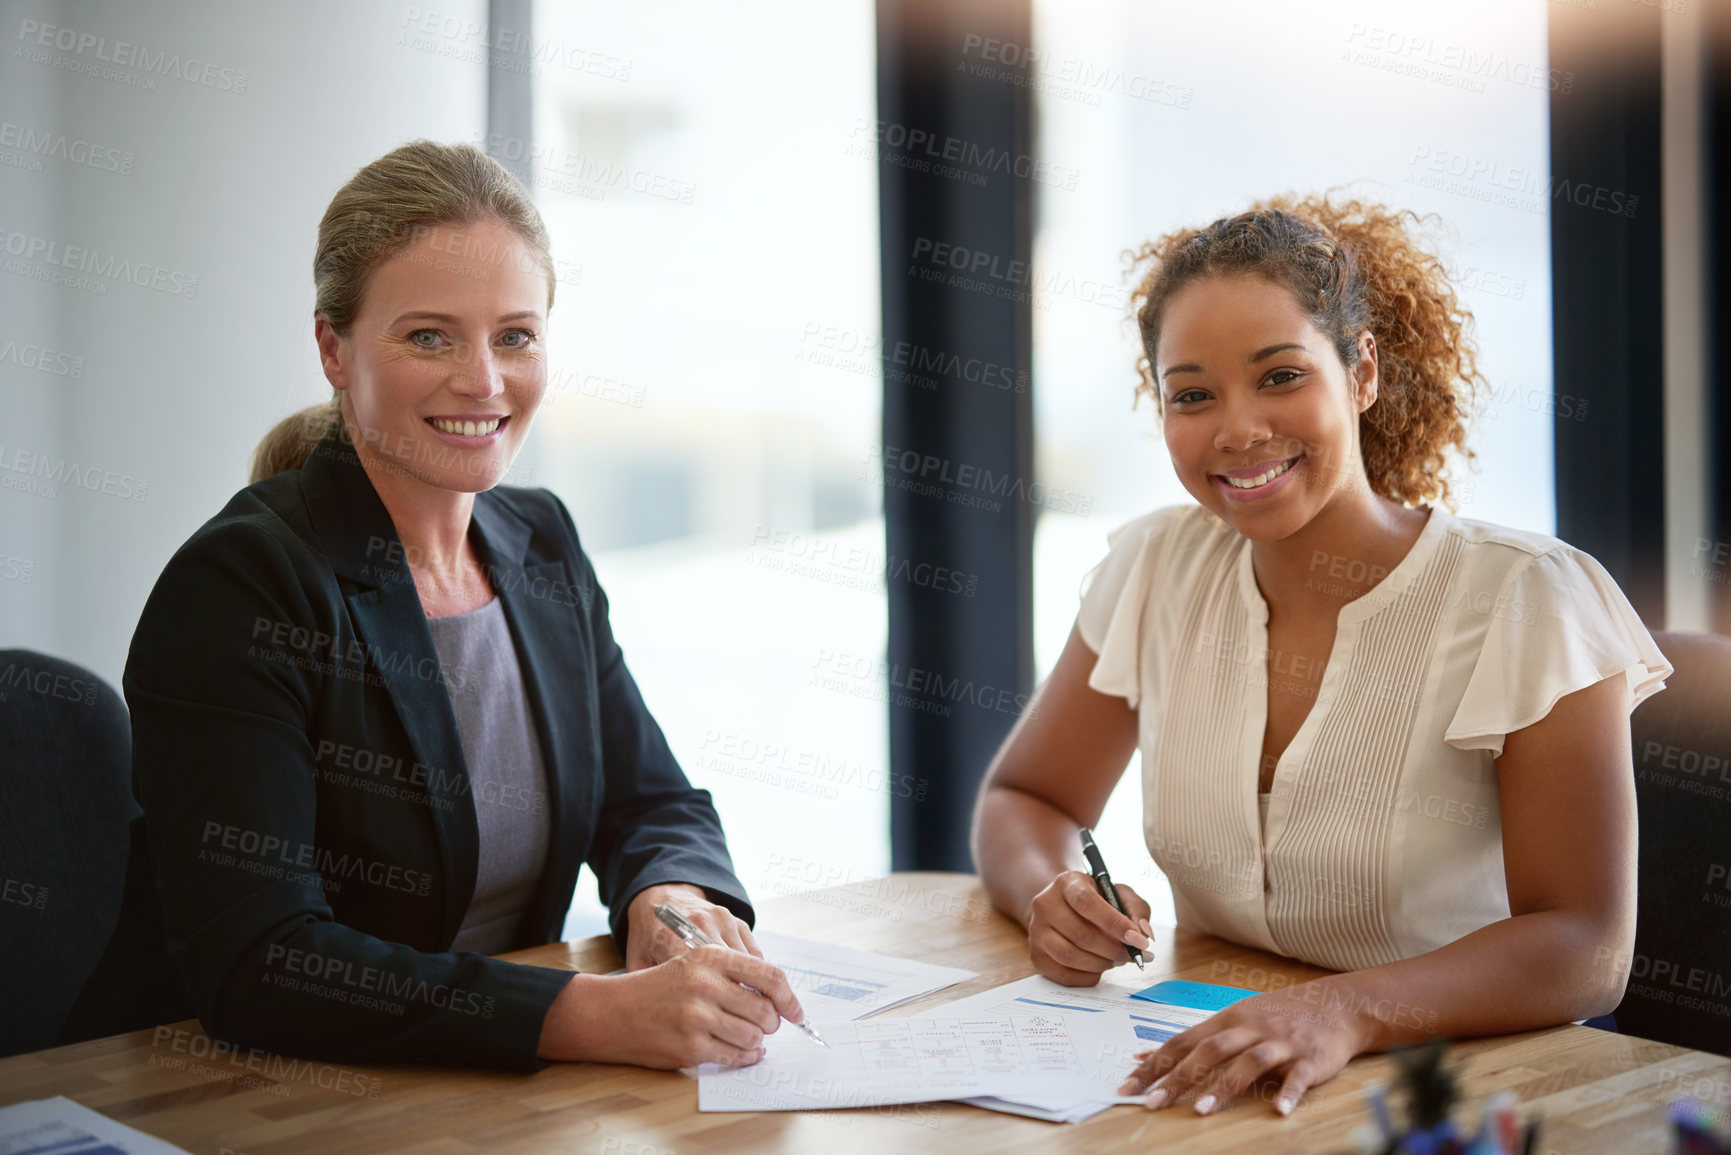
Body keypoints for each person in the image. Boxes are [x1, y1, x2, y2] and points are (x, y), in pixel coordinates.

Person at [59, 140, 804, 1072]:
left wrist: (673, 903)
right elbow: (263, 963)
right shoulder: (243, 583)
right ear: (333, 348)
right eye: (428, 336)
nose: (483, 381)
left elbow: (648, 798)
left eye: (515, 335)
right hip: (236, 1100)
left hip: (472, 1098)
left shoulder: (540, 544)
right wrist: (590, 1015)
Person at [971, 196, 1672, 1117]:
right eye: (1191, 393)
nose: (1237, 429)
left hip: (1476, 1095)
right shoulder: (1155, 566)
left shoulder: (1526, 597)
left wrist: (1346, 1007)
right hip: (1234, 1078)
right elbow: (1028, 798)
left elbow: (1584, 943)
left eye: (1279, 375)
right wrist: (1048, 895)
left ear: (1363, 371)